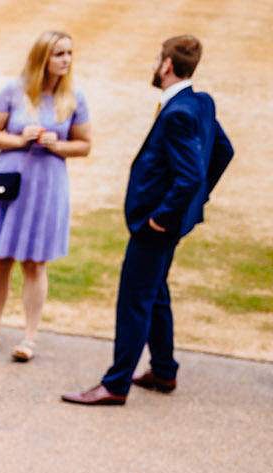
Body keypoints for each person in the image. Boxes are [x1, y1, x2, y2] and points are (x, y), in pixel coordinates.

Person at [65, 35, 232, 406]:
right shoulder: (200, 103)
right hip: (169, 224)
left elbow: (190, 175)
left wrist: (166, 215)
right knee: (155, 292)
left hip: (155, 226)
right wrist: (193, 203)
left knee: (134, 299)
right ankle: (164, 370)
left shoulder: (179, 113)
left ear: (167, 65)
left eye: (158, 58)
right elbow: (223, 150)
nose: (156, 64)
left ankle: (115, 384)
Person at [0, 32, 91, 363]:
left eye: (69, 53)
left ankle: (29, 338)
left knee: (35, 262)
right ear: (42, 58)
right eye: (59, 54)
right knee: (1, 257)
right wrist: (19, 138)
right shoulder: (13, 90)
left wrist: (57, 145)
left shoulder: (74, 96)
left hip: (47, 185)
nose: (66, 60)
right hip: (10, 179)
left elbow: (84, 144)